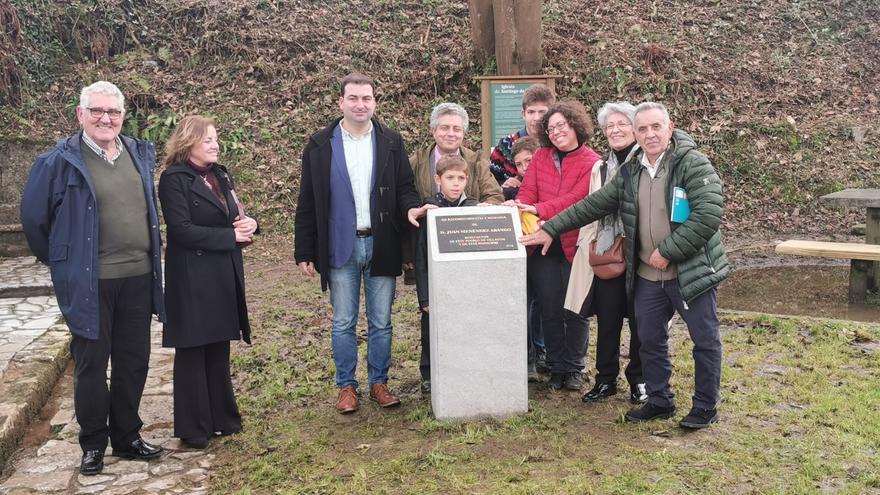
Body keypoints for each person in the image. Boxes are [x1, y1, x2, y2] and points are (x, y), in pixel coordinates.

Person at [520, 102, 730, 429]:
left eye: (654, 127)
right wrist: (550, 228)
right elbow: (593, 205)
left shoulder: (692, 164)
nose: (649, 134)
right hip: (647, 274)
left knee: (704, 339)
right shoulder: (631, 171)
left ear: (669, 128)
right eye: (643, 129)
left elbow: (708, 216)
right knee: (649, 340)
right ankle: (660, 400)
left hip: (690, 273)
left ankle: (705, 406)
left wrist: (670, 250)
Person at [20, 81, 165, 475]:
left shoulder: (137, 154)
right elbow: (35, 220)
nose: (106, 118)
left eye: (113, 112)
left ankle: (127, 436)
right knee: (91, 364)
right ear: (81, 114)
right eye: (98, 111)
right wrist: (63, 260)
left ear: (123, 116)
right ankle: (93, 443)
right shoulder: (57, 162)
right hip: (90, 281)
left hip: (138, 276)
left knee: (134, 360)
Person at [294, 72, 425, 414]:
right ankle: (346, 386)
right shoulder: (320, 145)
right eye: (353, 98)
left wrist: (411, 209)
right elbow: (307, 199)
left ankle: (378, 383)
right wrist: (304, 249)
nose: (360, 104)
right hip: (341, 246)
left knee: (382, 321)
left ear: (374, 102)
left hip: (381, 243)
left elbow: (405, 188)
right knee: (343, 321)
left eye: (367, 98)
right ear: (341, 102)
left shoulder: (391, 141)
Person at [158, 115, 258, 449]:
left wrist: (247, 225)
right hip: (191, 276)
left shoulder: (220, 174)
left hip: (222, 272)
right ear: (188, 143)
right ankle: (194, 427)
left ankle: (223, 418)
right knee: (192, 350)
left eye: (216, 139)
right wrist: (230, 235)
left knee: (218, 346)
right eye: (208, 140)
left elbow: (232, 215)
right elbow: (182, 230)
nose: (215, 145)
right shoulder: (173, 179)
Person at [508, 99, 600, 391]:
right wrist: (522, 205)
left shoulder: (592, 162)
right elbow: (528, 192)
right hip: (541, 245)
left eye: (561, 125)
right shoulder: (541, 157)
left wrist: (540, 210)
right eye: (551, 127)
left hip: (575, 244)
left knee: (575, 309)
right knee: (549, 307)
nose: (557, 131)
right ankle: (557, 366)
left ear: (575, 124)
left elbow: (578, 200)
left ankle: (574, 366)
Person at [563, 102, 646, 404]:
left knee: (641, 321)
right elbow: (591, 209)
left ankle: (639, 380)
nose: (615, 130)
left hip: (641, 253)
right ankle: (606, 380)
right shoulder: (600, 167)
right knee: (608, 319)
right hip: (607, 254)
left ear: (635, 128)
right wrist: (586, 248)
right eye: (610, 126)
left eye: (622, 124)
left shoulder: (647, 162)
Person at [415, 155, 478, 393]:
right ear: (437, 179)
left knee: (463, 328)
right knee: (431, 330)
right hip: (436, 286)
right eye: (450, 178)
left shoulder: (472, 207)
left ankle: (461, 369)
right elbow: (421, 257)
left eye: (461, 178)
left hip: (464, 285)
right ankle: (429, 373)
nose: (455, 183)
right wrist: (425, 297)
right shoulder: (430, 209)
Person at [503, 136, 546, 381]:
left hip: (547, 253)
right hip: (524, 255)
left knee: (543, 306)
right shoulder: (512, 188)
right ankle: (528, 358)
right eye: (519, 164)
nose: (525, 167)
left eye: (529, 160)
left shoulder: (548, 183)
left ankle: (542, 352)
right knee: (526, 304)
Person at [409, 102, 503, 204]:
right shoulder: (416, 163)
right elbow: (405, 195)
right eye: (444, 128)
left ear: (463, 133)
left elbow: (495, 195)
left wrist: (484, 207)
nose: (451, 134)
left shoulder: (477, 162)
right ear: (433, 130)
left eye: (457, 129)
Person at [489, 83, 555, 185]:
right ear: (523, 114)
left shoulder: (556, 144)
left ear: (550, 114)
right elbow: (489, 182)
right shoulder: (506, 145)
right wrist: (503, 186)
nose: (536, 118)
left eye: (542, 112)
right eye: (531, 112)